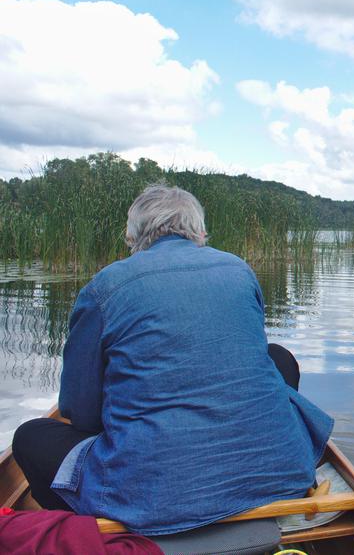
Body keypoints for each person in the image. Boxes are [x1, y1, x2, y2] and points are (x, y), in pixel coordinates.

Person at [11, 184, 333, 536]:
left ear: (132, 236)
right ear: (201, 232)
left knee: (30, 436)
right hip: (282, 475)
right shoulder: (239, 270)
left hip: (151, 498)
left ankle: (86, 528)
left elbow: (80, 411)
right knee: (278, 358)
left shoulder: (106, 286)